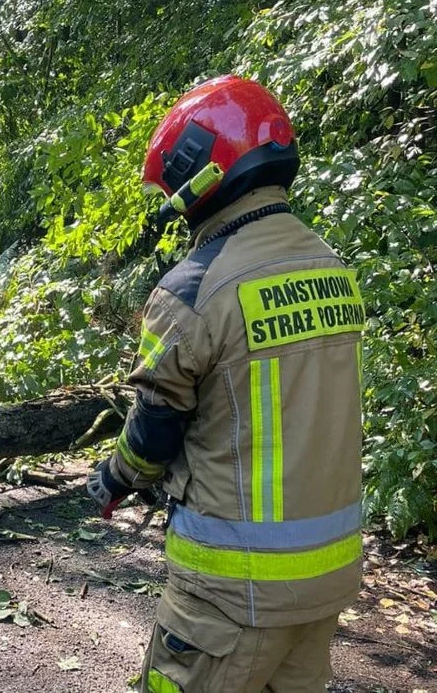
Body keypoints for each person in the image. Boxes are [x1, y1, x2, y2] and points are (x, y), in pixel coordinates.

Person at [86, 76, 364, 692]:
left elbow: (154, 428)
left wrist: (115, 479)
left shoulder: (194, 289)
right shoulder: (330, 267)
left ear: (202, 172)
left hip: (230, 590)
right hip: (329, 575)